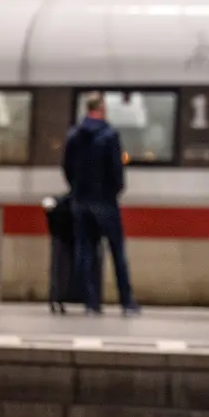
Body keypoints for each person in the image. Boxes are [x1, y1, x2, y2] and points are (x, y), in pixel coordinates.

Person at [62, 93, 140, 316]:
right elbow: (117, 171)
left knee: (85, 251)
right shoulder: (109, 134)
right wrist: (114, 191)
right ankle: (126, 301)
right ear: (102, 108)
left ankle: (91, 302)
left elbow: (67, 168)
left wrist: (77, 190)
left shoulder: (73, 136)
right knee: (117, 253)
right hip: (105, 202)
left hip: (81, 201)